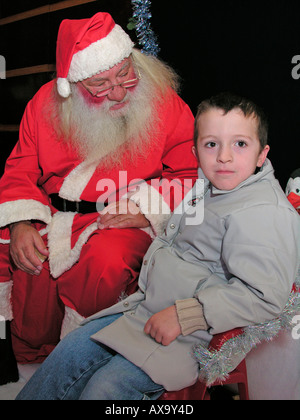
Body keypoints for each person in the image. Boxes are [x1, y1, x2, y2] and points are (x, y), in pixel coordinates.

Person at [16, 92, 299, 400]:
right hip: (148, 305)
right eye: (211, 144)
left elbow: (265, 296)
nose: (224, 157)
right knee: (70, 350)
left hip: (197, 332)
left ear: (262, 154)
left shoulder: (263, 212)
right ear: (195, 151)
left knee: (106, 387)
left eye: (240, 144)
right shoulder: (207, 185)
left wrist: (184, 316)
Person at [0, 12, 198, 384]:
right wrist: (21, 220)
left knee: (106, 261)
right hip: (56, 215)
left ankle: (86, 356)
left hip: (122, 216)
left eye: (126, 74)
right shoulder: (44, 104)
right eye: (100, 85)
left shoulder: (163, 101)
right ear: (72, 87)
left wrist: (146, 208)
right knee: (22, 256)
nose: (120, 91)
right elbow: (20, 168)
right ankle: (30, 363)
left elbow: (190, 174)